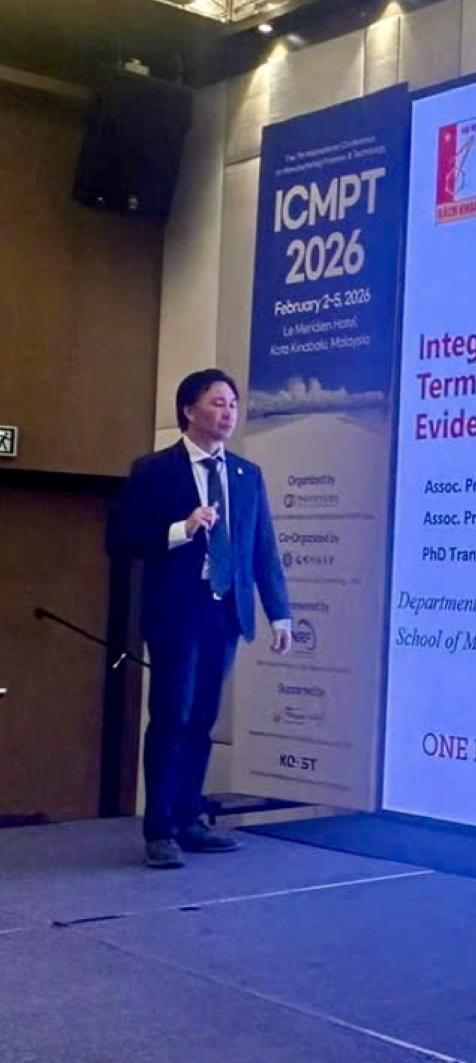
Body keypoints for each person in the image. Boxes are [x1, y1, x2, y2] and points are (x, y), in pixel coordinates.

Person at [108, 369, 292, 869]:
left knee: (203, 720)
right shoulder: (154, 470)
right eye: (217, 402)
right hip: (177, 612)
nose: (228, 412)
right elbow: (121, 540)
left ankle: (189, 818)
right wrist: (181, 529)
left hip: (225, 612)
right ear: (189, 410)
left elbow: (263, 549)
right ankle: (160, 828)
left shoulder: (247, 475)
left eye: (233, 403)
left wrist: (279, 614)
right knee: (172, 716)